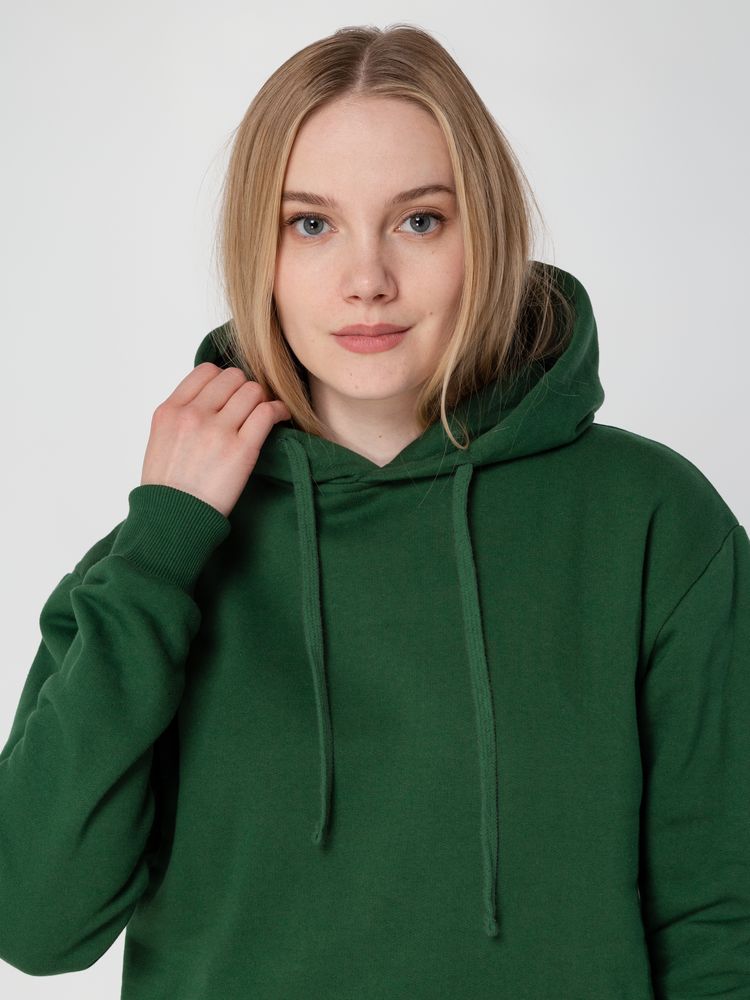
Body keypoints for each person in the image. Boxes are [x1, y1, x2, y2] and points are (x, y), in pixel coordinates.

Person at [1, 21, 748, 1000]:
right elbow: (35, 923)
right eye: (311, 224)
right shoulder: (167, 552)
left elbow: (722, 926)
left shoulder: (649, 522)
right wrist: (160, 547)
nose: (367, 281)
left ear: (486, 233)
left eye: (419, 220)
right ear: (258, 252)